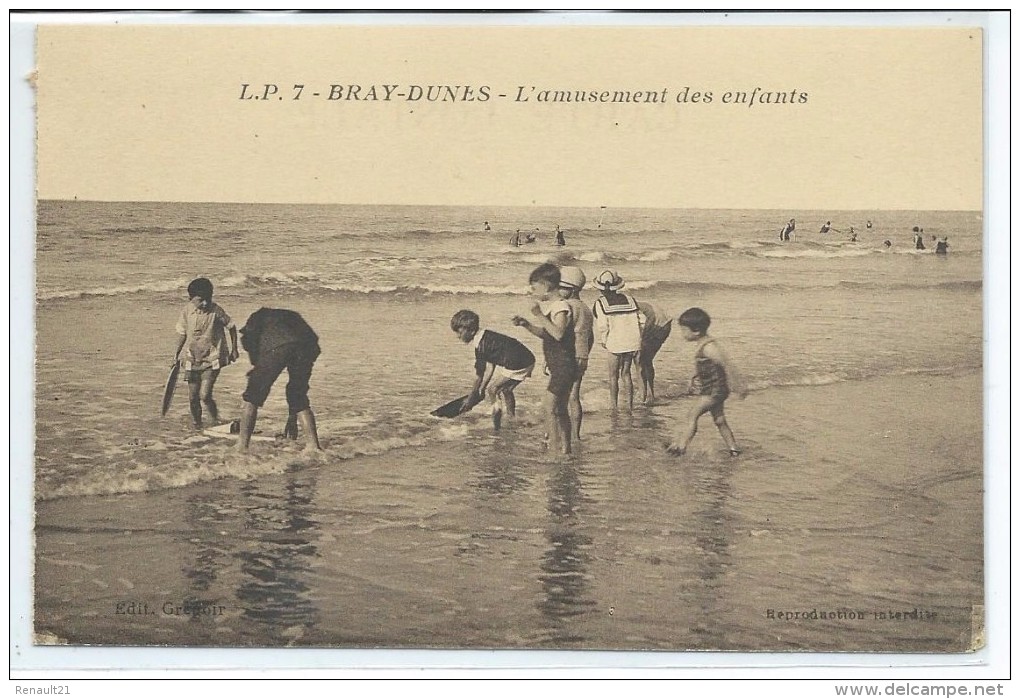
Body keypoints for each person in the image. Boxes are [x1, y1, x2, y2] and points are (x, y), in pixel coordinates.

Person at [236, 307, 322, 453]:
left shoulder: (255, 321)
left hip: (279, 346)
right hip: (307, 345)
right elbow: (311, 344)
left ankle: (242, 446)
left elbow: (251, 346)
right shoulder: (290, 315)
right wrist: (291, 415)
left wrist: (256, 372)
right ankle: (314, 446)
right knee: (298, 397)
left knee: (252, 397)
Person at [512, 263, 576, 456]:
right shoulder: (556, 308)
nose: (532, 292)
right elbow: (546, 333)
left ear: (546, 286)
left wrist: (538, 314)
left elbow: (558, 334)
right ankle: (565, 449)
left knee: (549, 407)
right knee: (560, 410)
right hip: (561, 366)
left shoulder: (561, 307)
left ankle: (555, 450)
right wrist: (526, 324)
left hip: (564, 365)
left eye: (534, 287)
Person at [666, 308, 747, 457]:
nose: (682, 334)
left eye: (684, 330)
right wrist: (693, 377)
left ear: (696, 331)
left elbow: (727, 365)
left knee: (692, 415)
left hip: (714, 390)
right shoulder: (703, 344)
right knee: (719, 419)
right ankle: (734, 449)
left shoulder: (709, 347)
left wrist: (738, 385)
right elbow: (706, 365)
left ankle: (681, 447)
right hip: (715, 389)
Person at [450, 309, 535, 431]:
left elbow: (479, 375)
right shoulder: (486, 336)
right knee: (506, 389)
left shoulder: (480, 346)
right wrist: (481, 389)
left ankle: (497, 425)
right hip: (527, 358)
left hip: (518, 362)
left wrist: (473, 395)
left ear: (472, 331)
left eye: (459, 332)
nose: (458, 336)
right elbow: (491, 366)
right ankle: (512, 418)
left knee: (493, 389)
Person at [172, 277, 238, 429]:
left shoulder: (216, 310)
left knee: (205, 395)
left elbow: (232, 327)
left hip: (212, 358)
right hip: (192, 358)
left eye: (208, 299)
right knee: (193, 397)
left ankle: (215, 421)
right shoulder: (186, 311)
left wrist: (234, 349)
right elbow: (182, 333)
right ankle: (197, 424)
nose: (205, 303)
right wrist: (175, 354)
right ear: (190, 299)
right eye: (200, 300)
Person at [592, 269, 642, 412]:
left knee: (613, 376)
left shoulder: (600, 303)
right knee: (626, 374)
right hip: (632, 341)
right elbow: (642, 320)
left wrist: (604, 340)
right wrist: (637, 337)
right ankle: (630, 405)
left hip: (615, 342)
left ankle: (614, 406)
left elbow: (602, 326)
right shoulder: (630, 299)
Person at [556, 266, 593, 440]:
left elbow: (560, 334)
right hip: (581, 356)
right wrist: (585, 353)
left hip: (566, 356)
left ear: (572, 290)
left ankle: (555, 434)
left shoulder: (566, 307)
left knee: (558, 397)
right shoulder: (586, 308)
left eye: (561, 287)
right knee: (574, 396)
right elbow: (590, 337)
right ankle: (576, 435)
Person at [636, 301, 673, 405]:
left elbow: (651, 318)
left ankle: (646, 395)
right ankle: (650, 392)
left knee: (642, 361)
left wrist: (642, 337)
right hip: (665, 325)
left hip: (659, 327)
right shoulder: (640, 304)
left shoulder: (635, 306)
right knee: (647, 361)